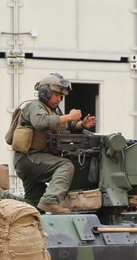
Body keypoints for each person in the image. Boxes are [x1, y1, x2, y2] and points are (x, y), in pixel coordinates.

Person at [11, 73, 96, 214]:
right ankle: (51, 200)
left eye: (61, 96)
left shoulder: (52, 111)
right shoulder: (34, 106)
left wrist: (81, 124)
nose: (59, 99)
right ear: (45, 93)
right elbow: (41, 123)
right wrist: (69, 116)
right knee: (65, 165)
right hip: (30, 158)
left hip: (32, 161)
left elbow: (64, 127)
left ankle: (0, 196)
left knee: (34, 205)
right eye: (56, 95)